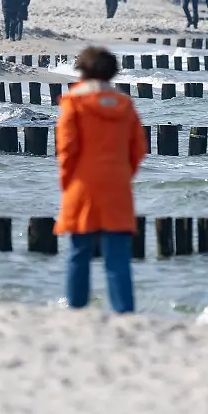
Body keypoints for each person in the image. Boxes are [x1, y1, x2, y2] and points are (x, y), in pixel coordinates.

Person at [54, 47, 147, 314]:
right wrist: (122, 173)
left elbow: (67, 149)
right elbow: (138, 148)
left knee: (79, 251)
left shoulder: (73, 102)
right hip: (117, 182)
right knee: (117, 254)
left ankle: (77, 308)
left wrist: (67, 183)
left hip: (82, 183)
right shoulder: (124, 104)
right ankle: (123, 310)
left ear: (81, 70)